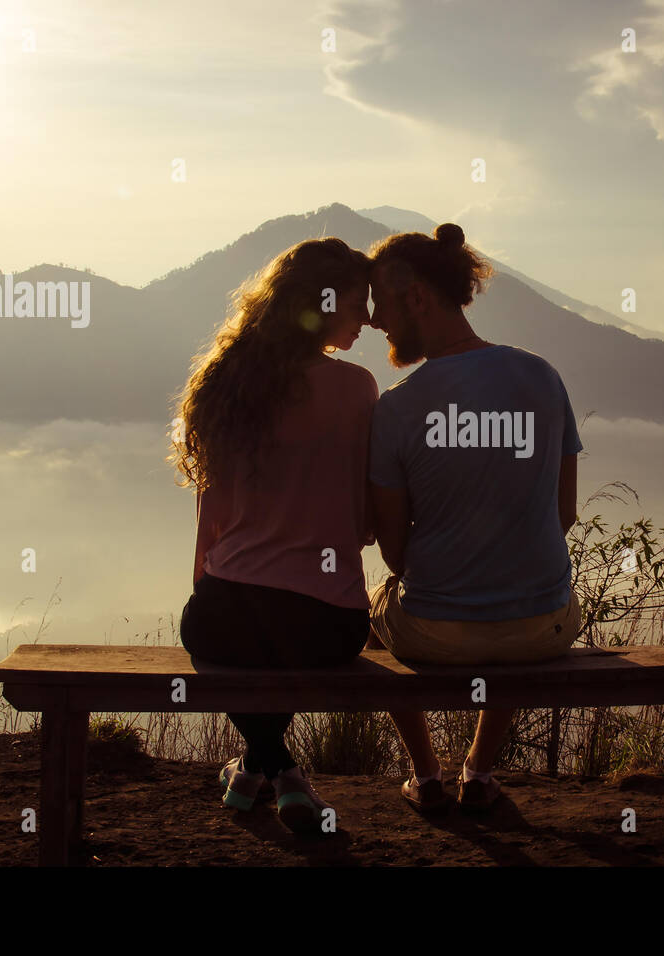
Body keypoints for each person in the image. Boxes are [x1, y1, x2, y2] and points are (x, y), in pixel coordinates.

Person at [364, 222, 583, 815]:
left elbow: (393, 554)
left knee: (369, 607)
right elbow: (562, 513)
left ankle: (425, 773)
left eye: (379, 304)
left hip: (435, 634)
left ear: (415, 298)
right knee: (516, 587)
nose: (373, 322)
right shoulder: (542, 375)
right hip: (544, 630)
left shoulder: (397, 406)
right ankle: (480, 774)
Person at [172, 237, 378, 833]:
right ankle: (284, 775)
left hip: (225, 613)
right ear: (324, 302)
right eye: (357, 303)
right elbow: (364, 512)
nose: (365, 317)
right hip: (327, 622)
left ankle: (259, 770)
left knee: (250, 648)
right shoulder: (356, 388)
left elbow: (211, 510)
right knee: (283, 646)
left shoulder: (228, 383)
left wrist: (206, 583)